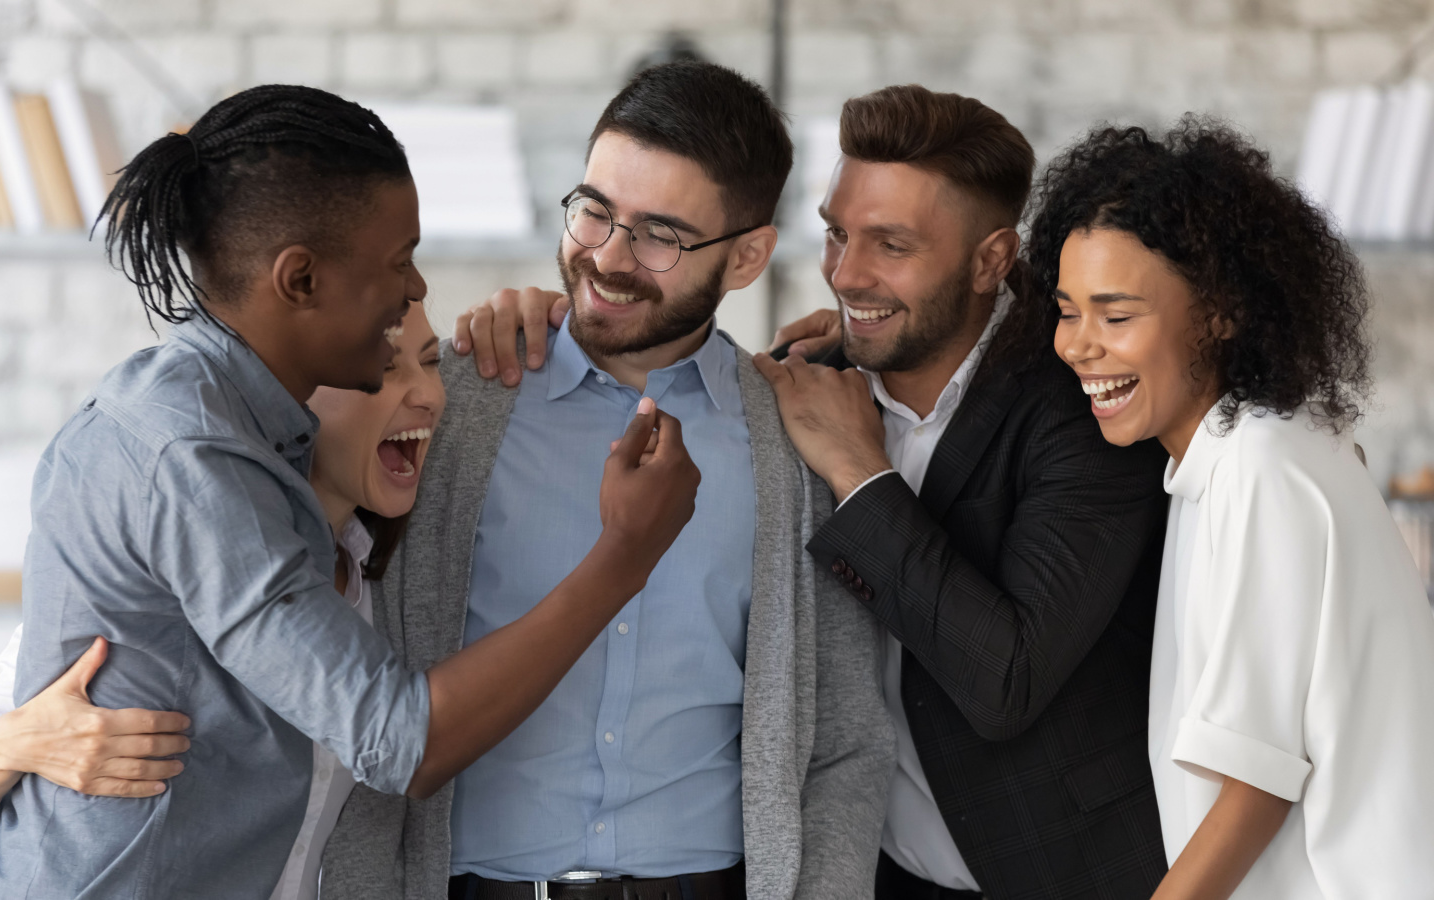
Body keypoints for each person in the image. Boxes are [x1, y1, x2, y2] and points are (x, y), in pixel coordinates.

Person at [0, 84, 701, 900]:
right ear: (300, 280)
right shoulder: (188, 457)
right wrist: (625, 555)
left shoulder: (248, 429)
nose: (415, 290)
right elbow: (395, 739)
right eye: (398, 261)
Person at [479, 84, 1172, 899]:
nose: (847, 273)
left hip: (1065, 874)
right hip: (881, 875)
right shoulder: (811, 383)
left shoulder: (1083, 408)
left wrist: (860, 474)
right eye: (839, 234)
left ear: (991, 260)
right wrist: (545, 316)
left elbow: (1005, 681)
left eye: (892, 244)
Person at [321, 62, 893, 900]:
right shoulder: (455, 405)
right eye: (595, 211)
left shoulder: (794, 438)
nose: (607, 258)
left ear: (746, 258)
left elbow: (846, 736)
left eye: (660, 235)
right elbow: (343, 663)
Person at [0, 302, 446, 900]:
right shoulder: (162, 561)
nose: (427, 394)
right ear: (298, 398)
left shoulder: (390, 594)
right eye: (389, 368)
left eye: (432, 362)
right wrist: (14, 742)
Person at [1017, 119, 1434, 899]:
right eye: (1068, 310)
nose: (1077, 345)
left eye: (1117, 315)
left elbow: (1256, 784)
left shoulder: (1258, 468)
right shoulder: (1243, 455)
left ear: (1219, 313)